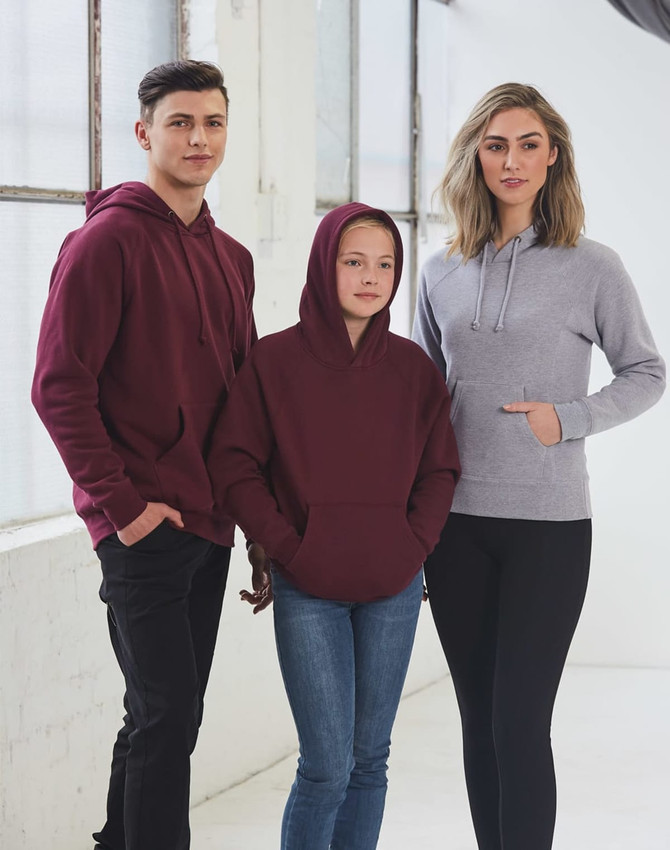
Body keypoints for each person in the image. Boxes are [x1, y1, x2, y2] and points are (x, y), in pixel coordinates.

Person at [412, 82, 665, 850]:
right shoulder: (439, 271)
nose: (512, 160)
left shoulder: (591, 267)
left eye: (528, 144)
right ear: (474, 158)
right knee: (477, 721)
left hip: (549, 528)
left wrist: (572, 418)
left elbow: (648, 371)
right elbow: (421, 399)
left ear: (553, 156)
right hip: (455, 528)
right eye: (495, 145)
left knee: (518, 721)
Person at [31, 60, 256, 850]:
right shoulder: (105, 242)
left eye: (214, 123)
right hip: (143, 522)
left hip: (212, 520)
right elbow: (58, 388)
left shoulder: (232, 258)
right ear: (144, 133)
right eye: (180, 123)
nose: (199, 138)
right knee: (169, 713)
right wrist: (123, 508)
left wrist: (256, 524)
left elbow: (242, 402)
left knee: (158, 712)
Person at [208, 202, 460, 850]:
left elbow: (440, 470)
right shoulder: (274, 362)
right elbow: (234, 464)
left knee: (370, 759)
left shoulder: (414, 372)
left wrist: (413, 545)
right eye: (354, 262)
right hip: (309, 590)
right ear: (325, 266)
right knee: (325, 765)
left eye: (384, 264)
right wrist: (290, 546)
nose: (371, 277)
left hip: (395, 589)